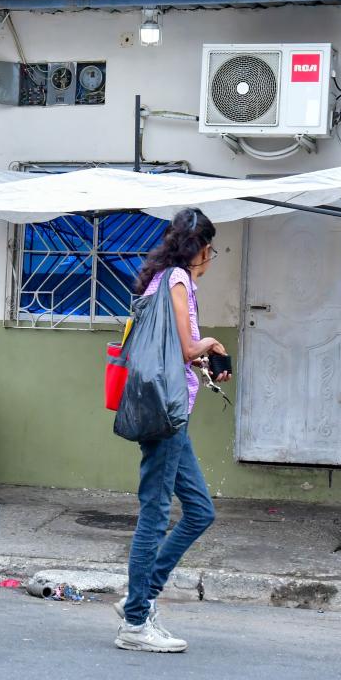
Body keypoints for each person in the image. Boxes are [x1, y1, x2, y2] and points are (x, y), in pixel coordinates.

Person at [114, 207, 231, 654]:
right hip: (166, 413)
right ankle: (137, 621)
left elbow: (178, 351)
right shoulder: (179, 280)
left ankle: (136, 599)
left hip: (170, 413)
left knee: (200, 512)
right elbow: (185, 346)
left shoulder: (159, 281)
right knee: (156, 514)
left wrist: (202, 360)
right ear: (201, 248)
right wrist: (213, 345)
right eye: (211, 249)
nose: (209, 257)